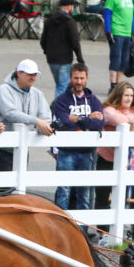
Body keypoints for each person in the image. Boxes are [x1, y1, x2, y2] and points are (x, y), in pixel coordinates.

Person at [50, 63, 104, 210]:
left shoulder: (93, 100)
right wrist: (88, 118)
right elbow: (63, 123)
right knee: (64, 192)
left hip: (87, 153)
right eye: (76, 78)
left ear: (86, 79)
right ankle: (61, 227)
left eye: (82, 78)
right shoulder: (61, 100)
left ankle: (83, 230)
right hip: (66, 152)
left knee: (85, 194)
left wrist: (78, 119)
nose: (79, 81)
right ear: (70, 78)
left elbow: (99, 124)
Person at [0, 58, 56, 171]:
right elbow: (10, 113)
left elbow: (45, 117)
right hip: (4, 148)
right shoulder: (4, 90)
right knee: (4, 187)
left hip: (24, 148)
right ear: (19, 73)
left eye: (35, 74)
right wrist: (36, 121)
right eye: (29, 74)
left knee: (20, 186)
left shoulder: (37, 94)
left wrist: (45, 128)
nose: (33, 78)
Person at [40, 0, 85, 95]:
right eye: (73, 7)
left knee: (59, 84)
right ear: (69, 6)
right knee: (62, 86)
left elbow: (43, 40)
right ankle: (58, 109)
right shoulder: (70, 22)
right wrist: (80, 58)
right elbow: (75, 42)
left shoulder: (49, 20)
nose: (72, 9)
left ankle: (62, 106)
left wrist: (47, 51)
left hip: (51, 59)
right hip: (64, 59)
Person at [104, 0, 134, 87]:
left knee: (124, 60)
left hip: (127, 34)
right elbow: (107, 14)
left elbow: (131, 15)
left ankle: (119, 85)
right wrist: (108, 31)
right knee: (115, 59)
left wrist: (133, 31)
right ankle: (113, 85)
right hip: (117, 32)